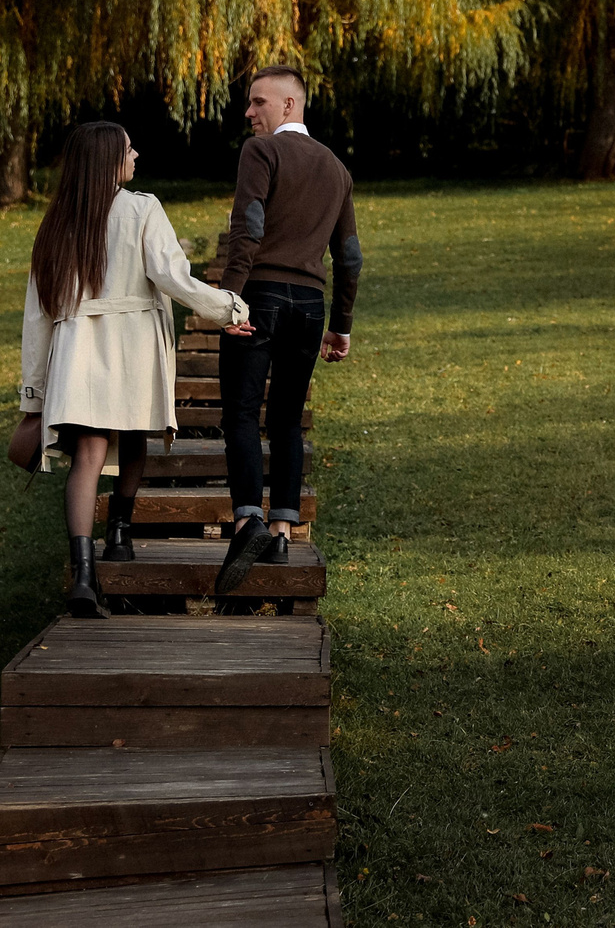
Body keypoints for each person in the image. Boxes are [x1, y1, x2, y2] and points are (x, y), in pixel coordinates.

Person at [19, 121, 252, 617]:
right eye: (129, 149)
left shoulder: (57, 221)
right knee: (135, 439)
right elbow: (172, 276)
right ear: (108, 160)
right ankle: (119, 536)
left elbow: (37, 314)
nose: (137, 154)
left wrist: (33, 393)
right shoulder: (142, 208)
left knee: (88, 455)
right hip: (132, 343)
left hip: (76, 348)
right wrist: (230, 308)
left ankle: (83, 574)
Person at [213, 63, 360, 596]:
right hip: (311, 306)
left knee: (241, 412)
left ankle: (248, 521)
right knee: (288, 421)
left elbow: (247, 227)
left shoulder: (262, 152)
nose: (249, 113)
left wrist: (231, 300)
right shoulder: (337, 168)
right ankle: (281, 530)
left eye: (258, 102)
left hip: (262, 298)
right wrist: (340, 326)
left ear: (289, 106)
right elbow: (350, 256)